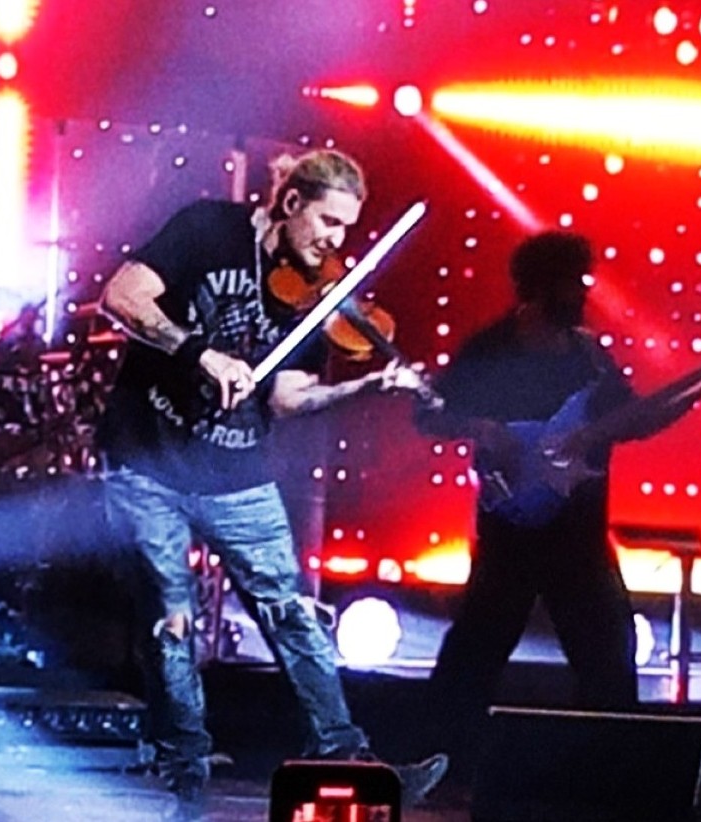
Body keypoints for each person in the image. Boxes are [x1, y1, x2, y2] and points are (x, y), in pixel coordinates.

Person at [94, 148, 447, 816]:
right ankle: (185, 777)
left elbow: (285, 397)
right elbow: (122, 295)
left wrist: (368, 386)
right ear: (289, 203)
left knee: (291, 613)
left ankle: (349, 756)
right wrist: (200, 354)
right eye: (328, 222)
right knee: (171, 620)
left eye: (347, 229)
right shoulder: (207, 229)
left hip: (235, 469)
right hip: (149, 459)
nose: (335, 242)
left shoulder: (313, 291)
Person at [412, 230, 701, 766]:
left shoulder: (589, 357)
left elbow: (637, 421)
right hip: (511, 534)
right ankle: (437, 765)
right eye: (573, 283)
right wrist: (482, 428)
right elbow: (428, 415)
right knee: (473, 656)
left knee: (609, 657)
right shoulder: (490, 350)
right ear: (542, 287)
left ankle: (611, 775)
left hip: (578, 537)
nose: (584, 293)